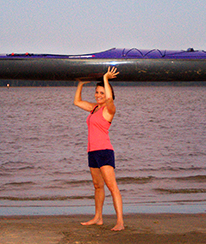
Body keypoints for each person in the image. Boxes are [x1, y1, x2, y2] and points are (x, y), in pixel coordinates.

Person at [73, 66, 124, 231]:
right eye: (97, 92)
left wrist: (106, 79)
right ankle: (98, 217)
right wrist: (80, 84)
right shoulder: (94, 108)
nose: (99, 95)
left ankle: (120, 222)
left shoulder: (109, 110)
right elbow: (77, 102)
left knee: (112, 186)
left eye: (102, 93)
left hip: (104, 151)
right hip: (92, 151)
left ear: (108, 94)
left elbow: (109, 99)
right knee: (97, 186)